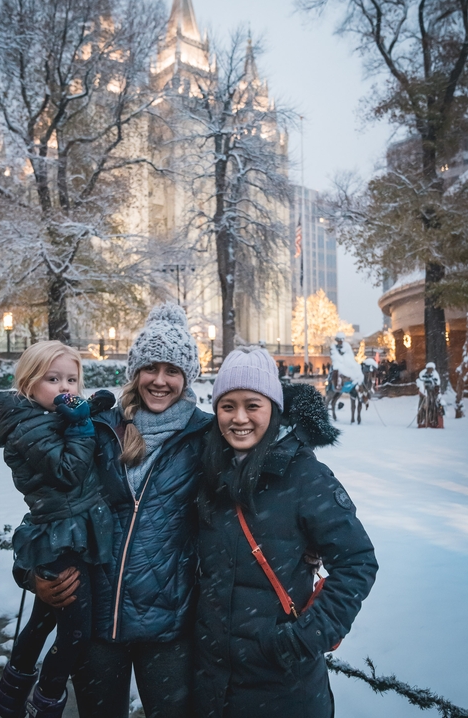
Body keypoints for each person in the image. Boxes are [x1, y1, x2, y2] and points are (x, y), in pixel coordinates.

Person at [34, 304, 213, 718]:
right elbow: (48, 507)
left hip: (169, 628)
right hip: (96, 621)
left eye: (173, 370)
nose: (160, 380)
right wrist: (33, 574)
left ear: (188, 376)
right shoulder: (96, 428)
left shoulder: (205, 437)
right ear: (135, 371)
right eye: (151, 367)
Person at [195, 347, 378, 718]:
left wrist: (301, 640)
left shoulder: (306, 477)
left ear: (273, 409)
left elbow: (357, 563)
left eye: (252, 405)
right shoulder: (210, 471)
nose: (239, 418)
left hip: (283, 686)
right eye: (227, 406)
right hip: (213, 680)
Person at [0, 341, 115, 718]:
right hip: (61, 537)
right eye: (53, 379)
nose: (65, 388)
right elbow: (68, 470)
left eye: (72, 379)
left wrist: (94, 407)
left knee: (42, 620)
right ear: (28, 383)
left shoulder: (44, 416)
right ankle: (47, 701)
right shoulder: (26, 426)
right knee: (75, 632)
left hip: (71, 530)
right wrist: (84, 424)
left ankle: (4, 702)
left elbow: (65, 423)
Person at [416, 361, 444, 428]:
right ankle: (423, 422)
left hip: (432, 395)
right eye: (428, 368)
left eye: (431, 368)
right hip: (424, 395)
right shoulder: (422, 374)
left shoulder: (435, 375)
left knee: (432, 409)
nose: (429, 370)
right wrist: (422, 390)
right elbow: (419, 382)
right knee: (423, 408)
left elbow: (437, 384)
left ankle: (432, 422)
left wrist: (436, 392)